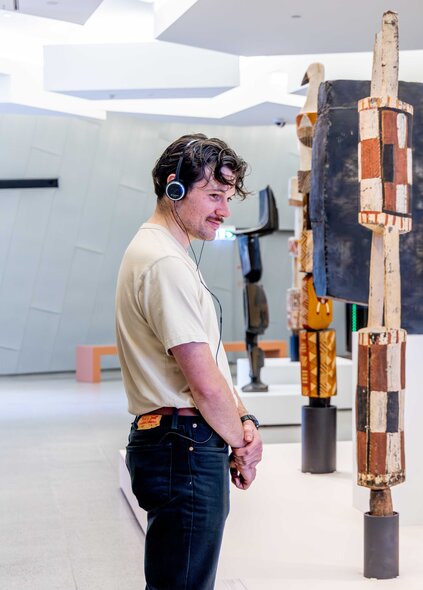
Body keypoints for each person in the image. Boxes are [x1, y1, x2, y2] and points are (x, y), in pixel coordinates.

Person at [115, 134, 264, 589]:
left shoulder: (167, 254)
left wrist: (244, 420)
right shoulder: (163, 262)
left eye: (227, 197)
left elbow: (211, 366)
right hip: (185, 445)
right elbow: (203, 382)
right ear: (173, 187)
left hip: (183, 441)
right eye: (214, 195)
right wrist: (243, 445)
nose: (224, 210)